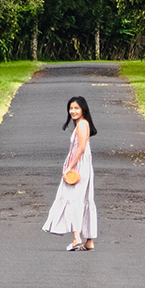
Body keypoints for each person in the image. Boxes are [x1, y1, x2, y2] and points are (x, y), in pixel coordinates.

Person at [42, 95, 98, 251]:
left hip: (79, 166)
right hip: (85, 166)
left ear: (83, 110)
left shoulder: (81, 125)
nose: (73, 111)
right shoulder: (83, 124)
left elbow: (80, 149)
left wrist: (69, 167)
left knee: (73, 199)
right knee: (85, 199)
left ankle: (76, 237)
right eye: (71, 108)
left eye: (76, 108)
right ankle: (89, 240)